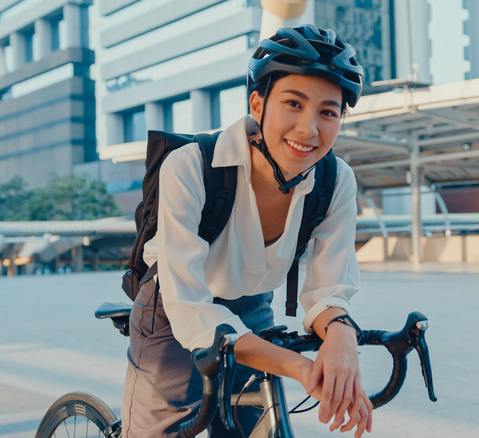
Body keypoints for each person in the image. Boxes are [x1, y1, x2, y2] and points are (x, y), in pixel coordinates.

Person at [121, 24, 369, 438]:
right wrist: (299, 367)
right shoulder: (190, 167)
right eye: (293, 103)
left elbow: (328, 289)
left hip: (251, 305)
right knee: (157, 430)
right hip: (172, 306)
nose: (309, 129)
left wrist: (342, 340)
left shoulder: (335, 181)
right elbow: (190, 307)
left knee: (248, 428)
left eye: (328, 111)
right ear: (258, 103)